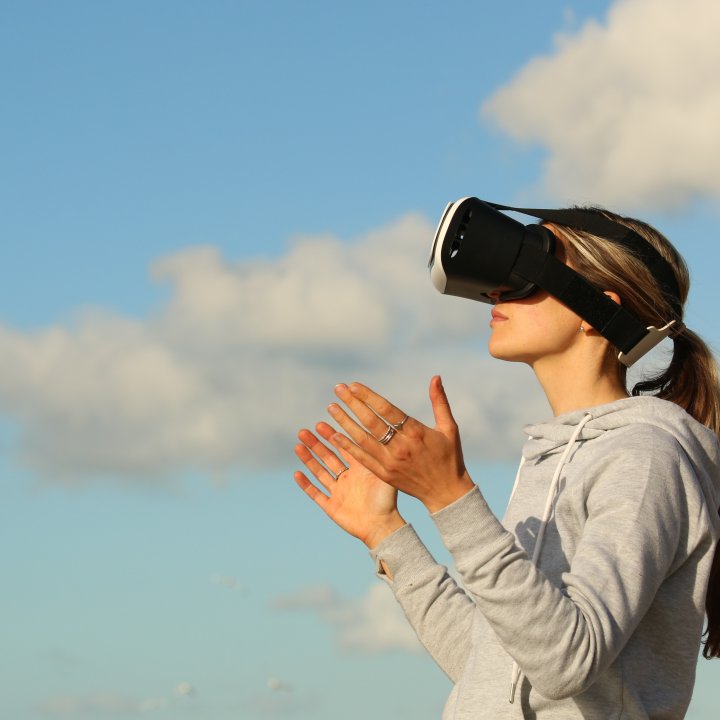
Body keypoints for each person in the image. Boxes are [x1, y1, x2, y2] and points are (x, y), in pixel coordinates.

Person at [293, 206, 720, 719]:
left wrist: (450, 496)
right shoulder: (554, 456)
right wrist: (388, 535)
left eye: (525, 272)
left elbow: (568, 663)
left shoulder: (646, 456)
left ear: (596, 310)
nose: (495, 291)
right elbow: (495, 671)